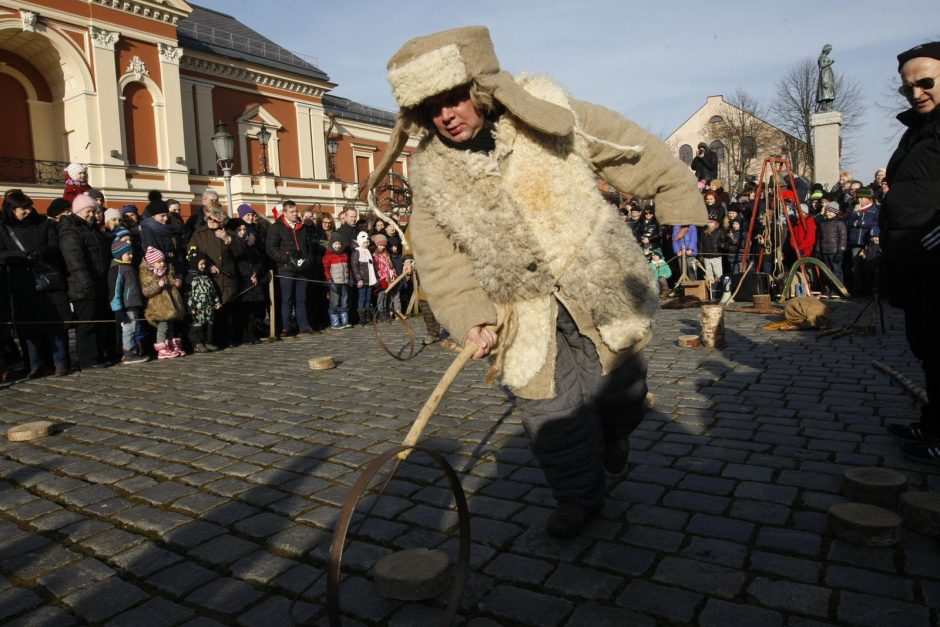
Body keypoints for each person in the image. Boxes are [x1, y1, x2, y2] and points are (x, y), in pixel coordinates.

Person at [365, 26, 705, 537]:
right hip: (519, 310)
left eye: (454, 98)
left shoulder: (549, 112)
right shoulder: (430, 170)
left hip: (595, 285)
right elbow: (440, 259)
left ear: (479, 88)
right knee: (549, 413)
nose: (446, 115)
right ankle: (578, 499)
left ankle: (615, 436)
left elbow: (630, 148)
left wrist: (676, 198)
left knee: (621, 393)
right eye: (431, 107)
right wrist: (472, 320)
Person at [880, 41, 940, 463]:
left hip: (936, 257)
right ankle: (933, 426)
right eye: (907, 88)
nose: (916, 93)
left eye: (926, 83)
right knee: (929, 348)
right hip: (917, 263)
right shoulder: (918, 129)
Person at [0, 189, 71, 377]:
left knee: (56, 324)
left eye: (28, 207)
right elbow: (2, 254)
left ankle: (61, 362)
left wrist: (39, 253)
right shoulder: (3, 228)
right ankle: (35, 364)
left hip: (47, 277)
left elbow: (54, 245)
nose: (28, 211)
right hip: (21, 282)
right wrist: (23, 256)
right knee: (29, 327)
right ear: (11, 209)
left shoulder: (43, 223)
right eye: (22, 208)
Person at [58, 192, 115, 369]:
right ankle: (87, 359)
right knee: (87, 324)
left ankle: (98, 355)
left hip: (97, 282)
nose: (92, 215)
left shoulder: (91, 229)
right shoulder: (70, 229)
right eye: (87, 211)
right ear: (78, 211)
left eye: (93, 211)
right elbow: (74, 259)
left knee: (98, 322)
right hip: (82, 285)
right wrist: (85, 282)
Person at [187, 201, 244, 347]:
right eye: (209, 219)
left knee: (226, 309)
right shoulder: (200, 233)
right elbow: (191, 253)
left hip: (226, 278)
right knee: (210, 311)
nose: (211, 222)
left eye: (214, 219)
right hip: (208, 279)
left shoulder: (228, 233)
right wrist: (207, 265)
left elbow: (240, 253)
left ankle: (226, 338)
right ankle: (209, 340)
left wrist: (227, 239)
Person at [265, 199, 319, 337]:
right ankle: (287, 327)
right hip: (286, 268)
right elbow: (271, 248)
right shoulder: (276, 227)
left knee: (301, 298)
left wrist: (308, 260)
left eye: (296, 211)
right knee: (287, 298)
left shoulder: (302, 227)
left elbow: (309, 246)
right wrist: (286, 259)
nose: (295, 214)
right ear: (284, 212)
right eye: (292, 212)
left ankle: (304, 325)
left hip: (303, 268)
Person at [107, 239, 149, 365]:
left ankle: (132, 350)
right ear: (120, 254)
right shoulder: (117, 269)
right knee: (129, 329)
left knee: (133, 328)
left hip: (133, 303)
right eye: (128, 254)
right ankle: (129, 353)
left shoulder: (129, 267)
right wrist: (117, 309)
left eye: (131, 253)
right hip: (126, 306)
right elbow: (115, 291)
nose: (131, 256)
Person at [139, 246, 185, 359]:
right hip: (158, 306)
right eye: (159, 262)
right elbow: (146, 292)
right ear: (152, 263)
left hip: (170, 305)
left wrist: (176, 282)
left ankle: (170, 346)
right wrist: (157, 285)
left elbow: (171, 283)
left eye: (163, 261)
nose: (162, 263)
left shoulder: (167, 271)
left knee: (170, 326)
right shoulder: (147, 275)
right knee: (163, 327)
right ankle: (162, 348)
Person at [184, 252, 221, 353]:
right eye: (201, 264)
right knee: (197, 326)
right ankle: (197, 343)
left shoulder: (206, 277)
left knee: (209, 325)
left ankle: (208, 341)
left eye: (204, 264)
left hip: (208, 307)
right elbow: (188, 294)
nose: (203, 266)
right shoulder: (190, 277)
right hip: (197, 308)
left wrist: (216, 301)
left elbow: (212, 291)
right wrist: (190, 307)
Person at [845, 188, 879, 296]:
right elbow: (849, 223)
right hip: (855, 242)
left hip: (867, 242)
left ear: (869, 199)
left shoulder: (875, 209)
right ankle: (857, 289)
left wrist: (860, 222)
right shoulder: (855, 209)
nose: (859, 199)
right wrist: (855, 212)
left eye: (861, 197)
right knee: (856, 266)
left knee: (868, 266)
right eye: (858, 197)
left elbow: (875, 224)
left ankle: (868, 289)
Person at [322, 234, 351, 329]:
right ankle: (335, 322)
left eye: (339, 244)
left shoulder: (344, 255)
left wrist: (350, 277)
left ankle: (345, 320)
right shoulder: (328, 256)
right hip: (334, 283)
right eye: (335, 244)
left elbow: (348, 268)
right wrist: (329, 280)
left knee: (345, 302)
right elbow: (326, 269)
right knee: (334, 302)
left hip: (344, 282)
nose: (337, 246)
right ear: (331, 245)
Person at [350, 230, 377, 324]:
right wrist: (359, 279)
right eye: (364, 242)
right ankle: (362, 319)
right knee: (362, 298)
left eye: (367, 242)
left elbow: (372, 266)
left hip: (369, 280)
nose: (366, 244)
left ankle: (368, 317)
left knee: (368, 298)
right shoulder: (356, 252)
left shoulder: (368, 251)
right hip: (362, 279)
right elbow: (354, 267)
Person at [817, 44, 836, 112]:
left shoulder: (825, 57)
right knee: (825, 91)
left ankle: (828, 107)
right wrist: (830, 63)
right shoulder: (822, 57)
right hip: (824, 74)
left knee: (830, 91)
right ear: (826, 50)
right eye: (829, 51)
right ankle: (824, 107)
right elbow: (822, 66)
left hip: (828, 75)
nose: (829, 52)